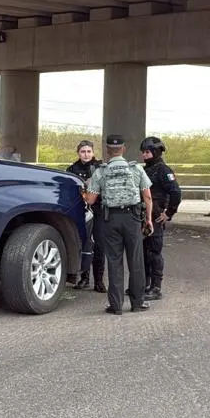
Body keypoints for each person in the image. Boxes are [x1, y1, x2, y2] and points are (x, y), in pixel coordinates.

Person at [84, 134, 154, 315]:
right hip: (132, 219)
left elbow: (91, 200)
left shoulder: (100, 171)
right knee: (136, 261)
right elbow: (147, 196)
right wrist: (148, 219)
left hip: (111, 220)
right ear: (123, 149)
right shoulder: (136, 169)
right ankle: (138, 303)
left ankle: (115, 306)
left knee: (114, 262)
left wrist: (82, 193)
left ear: (108, 151)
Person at [140, 136, 181, 301]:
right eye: (143, 152)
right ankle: (144, 284)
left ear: (156, 152)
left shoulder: (164, 170)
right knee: (143, 252)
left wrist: (169, 213)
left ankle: (156, 287)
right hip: (143, 215)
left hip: (156, 216)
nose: (144, 155)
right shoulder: (144, 169)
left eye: (147, 152)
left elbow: (176, 193)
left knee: (154, 252)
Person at [66, 139, 105, 292]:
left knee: (100, 246)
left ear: (93, 152)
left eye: (89, 151)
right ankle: (84, 278)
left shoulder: (101, 168)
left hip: (99, 210)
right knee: (84, 244)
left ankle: (99, 281)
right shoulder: (72, 169)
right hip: (81, 211)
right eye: (83, 151)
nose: (86, 154)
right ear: (78, 153)